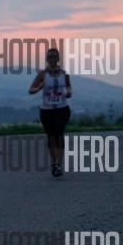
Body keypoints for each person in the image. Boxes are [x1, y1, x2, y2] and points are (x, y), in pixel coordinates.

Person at [29, 48, 72, 177]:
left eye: (54, 57)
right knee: (51, 136)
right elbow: (30, 90)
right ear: (47, 59)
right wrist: (39, 88)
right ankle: (54, 162)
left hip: (62, 109)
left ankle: (58, 164)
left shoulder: (64, 74)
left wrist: (69, 92)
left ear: (58, 59)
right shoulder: (42, 74)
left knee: (59, 134)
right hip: (46, 110)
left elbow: (69, 87)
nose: (52, 59)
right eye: (50, 57)